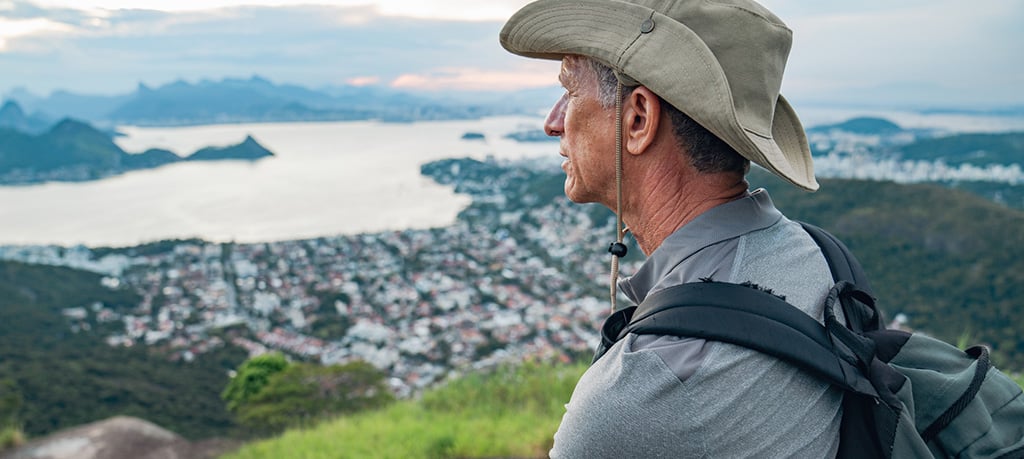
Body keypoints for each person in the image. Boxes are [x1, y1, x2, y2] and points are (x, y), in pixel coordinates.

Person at [500, 0, 844, 457]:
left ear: (638, 119)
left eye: (570, 91)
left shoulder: (639, 396)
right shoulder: (816, 256)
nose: (553, 122)